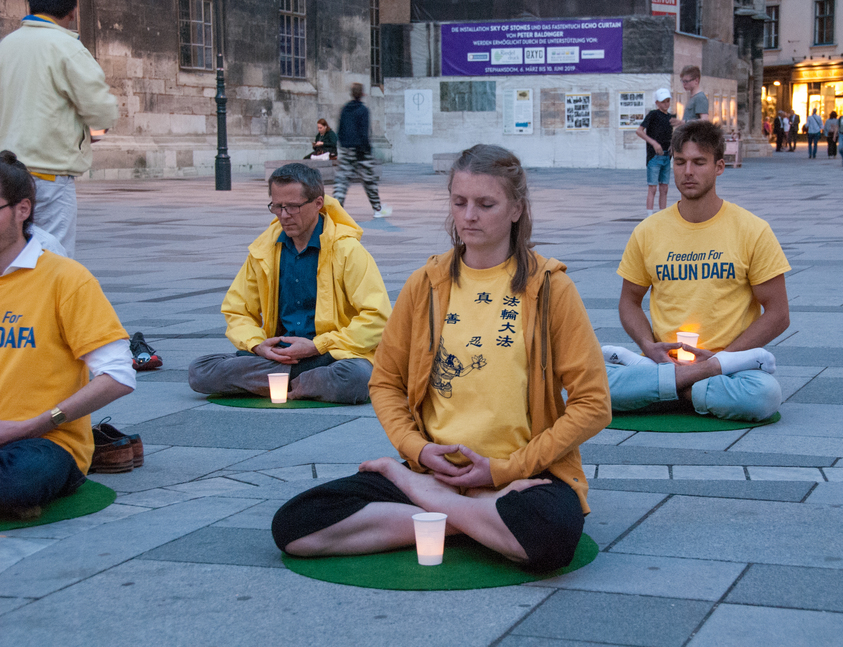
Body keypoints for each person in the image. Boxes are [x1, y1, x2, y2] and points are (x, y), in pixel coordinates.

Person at [271, 144, 612, 572]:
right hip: (433, 469)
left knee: (550, 537)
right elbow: (386, 381)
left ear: (516, 209)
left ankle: (432, 507)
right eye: (460, 202)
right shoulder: (425, 284)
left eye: (486, 204)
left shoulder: (550, 288)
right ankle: (470, 516)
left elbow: (593, 404)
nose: (469, 215)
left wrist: (503, 471)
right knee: (296, 525)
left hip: (524, 476)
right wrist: (415, 450)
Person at [601, 122, 789, 422]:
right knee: (586, 386)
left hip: (726, 368)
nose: (688, 171)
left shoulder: (752, 230)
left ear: (719, 167)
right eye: (680, 162)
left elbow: (778, 314)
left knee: (764, 395)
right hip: (662, 362)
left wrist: (718, 360)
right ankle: (685, 388)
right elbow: (629, 302)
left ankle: (664, 391)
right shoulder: (648, 231)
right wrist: (649, 347)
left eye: (699, 162)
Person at [0, 150, 135, 520]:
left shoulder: (65, 278)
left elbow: (119, 376)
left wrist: (34, 424)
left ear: (22, 209)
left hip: (43, 441)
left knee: (20, 477)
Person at [188, 164, 391, 404]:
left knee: (356, 376)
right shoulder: (264, 249)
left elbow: (377, 318)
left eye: (293, 207)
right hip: (278, 356)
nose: (284, 215)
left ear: (318, 203)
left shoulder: (347, 251)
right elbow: (237, 309)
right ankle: (303, 384)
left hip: (332, 354)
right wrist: (257, 345)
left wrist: (317, 345)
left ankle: (278, 383)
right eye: (277, 206)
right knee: (200, 369)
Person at [0, 0, 118, 258]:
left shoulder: (6, 46)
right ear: (71, 12)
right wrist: (93, 130)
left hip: (5, 173)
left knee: (9, 252)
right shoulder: (68, 48)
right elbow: (101, 110)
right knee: (53, 256)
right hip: (48, 174)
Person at [333, 84, 392, 219]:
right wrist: (367, 149)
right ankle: (377, 208)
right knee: (369, 181)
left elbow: (340, 129)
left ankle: (336, 209)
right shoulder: (363, 110)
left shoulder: (345, 109)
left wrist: (343, 145)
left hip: (347, 149)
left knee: (342, 180)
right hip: (361, 150)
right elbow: (364, 132)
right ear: (362, 94)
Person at [636, 88, 675, 217]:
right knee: (652, 187)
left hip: (666, 155)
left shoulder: (670, 117)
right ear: (657, 103)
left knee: (664, 188)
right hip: (654, 156)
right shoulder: (653, 114)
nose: (666, 104)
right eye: (663, 102)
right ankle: (649, 215)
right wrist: (653, 143)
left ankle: (662, 214)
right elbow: (639, 131)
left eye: (668, 101)